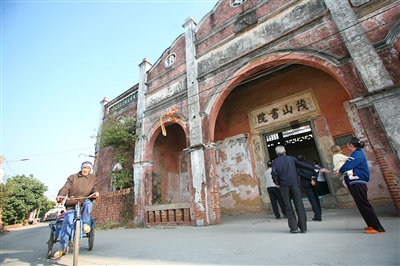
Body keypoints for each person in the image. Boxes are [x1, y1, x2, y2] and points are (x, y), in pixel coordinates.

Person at [272, 146, 329, 234]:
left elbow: (274, 173)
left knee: (288, 206)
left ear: (276, 153)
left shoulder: (275, 161)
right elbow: (303, 165)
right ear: (285, 152)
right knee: (299, 205)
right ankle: (303, 227)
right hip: (294, 184)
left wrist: (277, 182)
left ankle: (293, 227)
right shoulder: (291, 159)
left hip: (284, 185)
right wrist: (318, 169)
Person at [335, 137, 385, 234]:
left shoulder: (357, 153)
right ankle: (371, 224)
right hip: (355, 182)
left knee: (363, 204)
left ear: (351, 145)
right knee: (361, 204)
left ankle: (377, 227)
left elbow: (348, 165)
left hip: (357, 181)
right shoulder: (357, 153)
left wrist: (340, 171)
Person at [53, 161, 99, 258]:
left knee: (88, 204)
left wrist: (96, 193)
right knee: (67, 221)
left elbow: (94, 188)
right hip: (72, 203)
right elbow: (66, 188)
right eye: (84, 168)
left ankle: (85, 223)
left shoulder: (93, 178)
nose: (85, 170)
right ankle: (62, 246)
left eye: (88, 168)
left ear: (90, 169)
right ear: (81, 168)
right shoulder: (72, 177)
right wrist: (61, 195)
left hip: (85, 200)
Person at [297, 155, 322, 221]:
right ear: (304, 158)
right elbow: (316, 171)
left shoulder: (298, 166)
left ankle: (317, 215)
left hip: (306, 184)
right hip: (314, 183)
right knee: (316, 198)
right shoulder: (309, 164)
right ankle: (319, 214)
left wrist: (309, 178)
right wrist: (314, 179)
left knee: (312, 199)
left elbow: (300, 174)